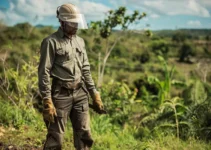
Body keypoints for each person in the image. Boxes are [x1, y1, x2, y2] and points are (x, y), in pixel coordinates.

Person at [38, 3, 104, 150]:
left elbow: (85, 69)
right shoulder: (51, 42)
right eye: (72, 23)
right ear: (62, 22)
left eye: (77, 23)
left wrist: (95, 94)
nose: (76, 26)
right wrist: (47, 100)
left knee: (84, 134)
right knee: (56, 138)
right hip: (60, 94)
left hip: (80, 93)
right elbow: (44, 72)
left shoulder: (80, 41)